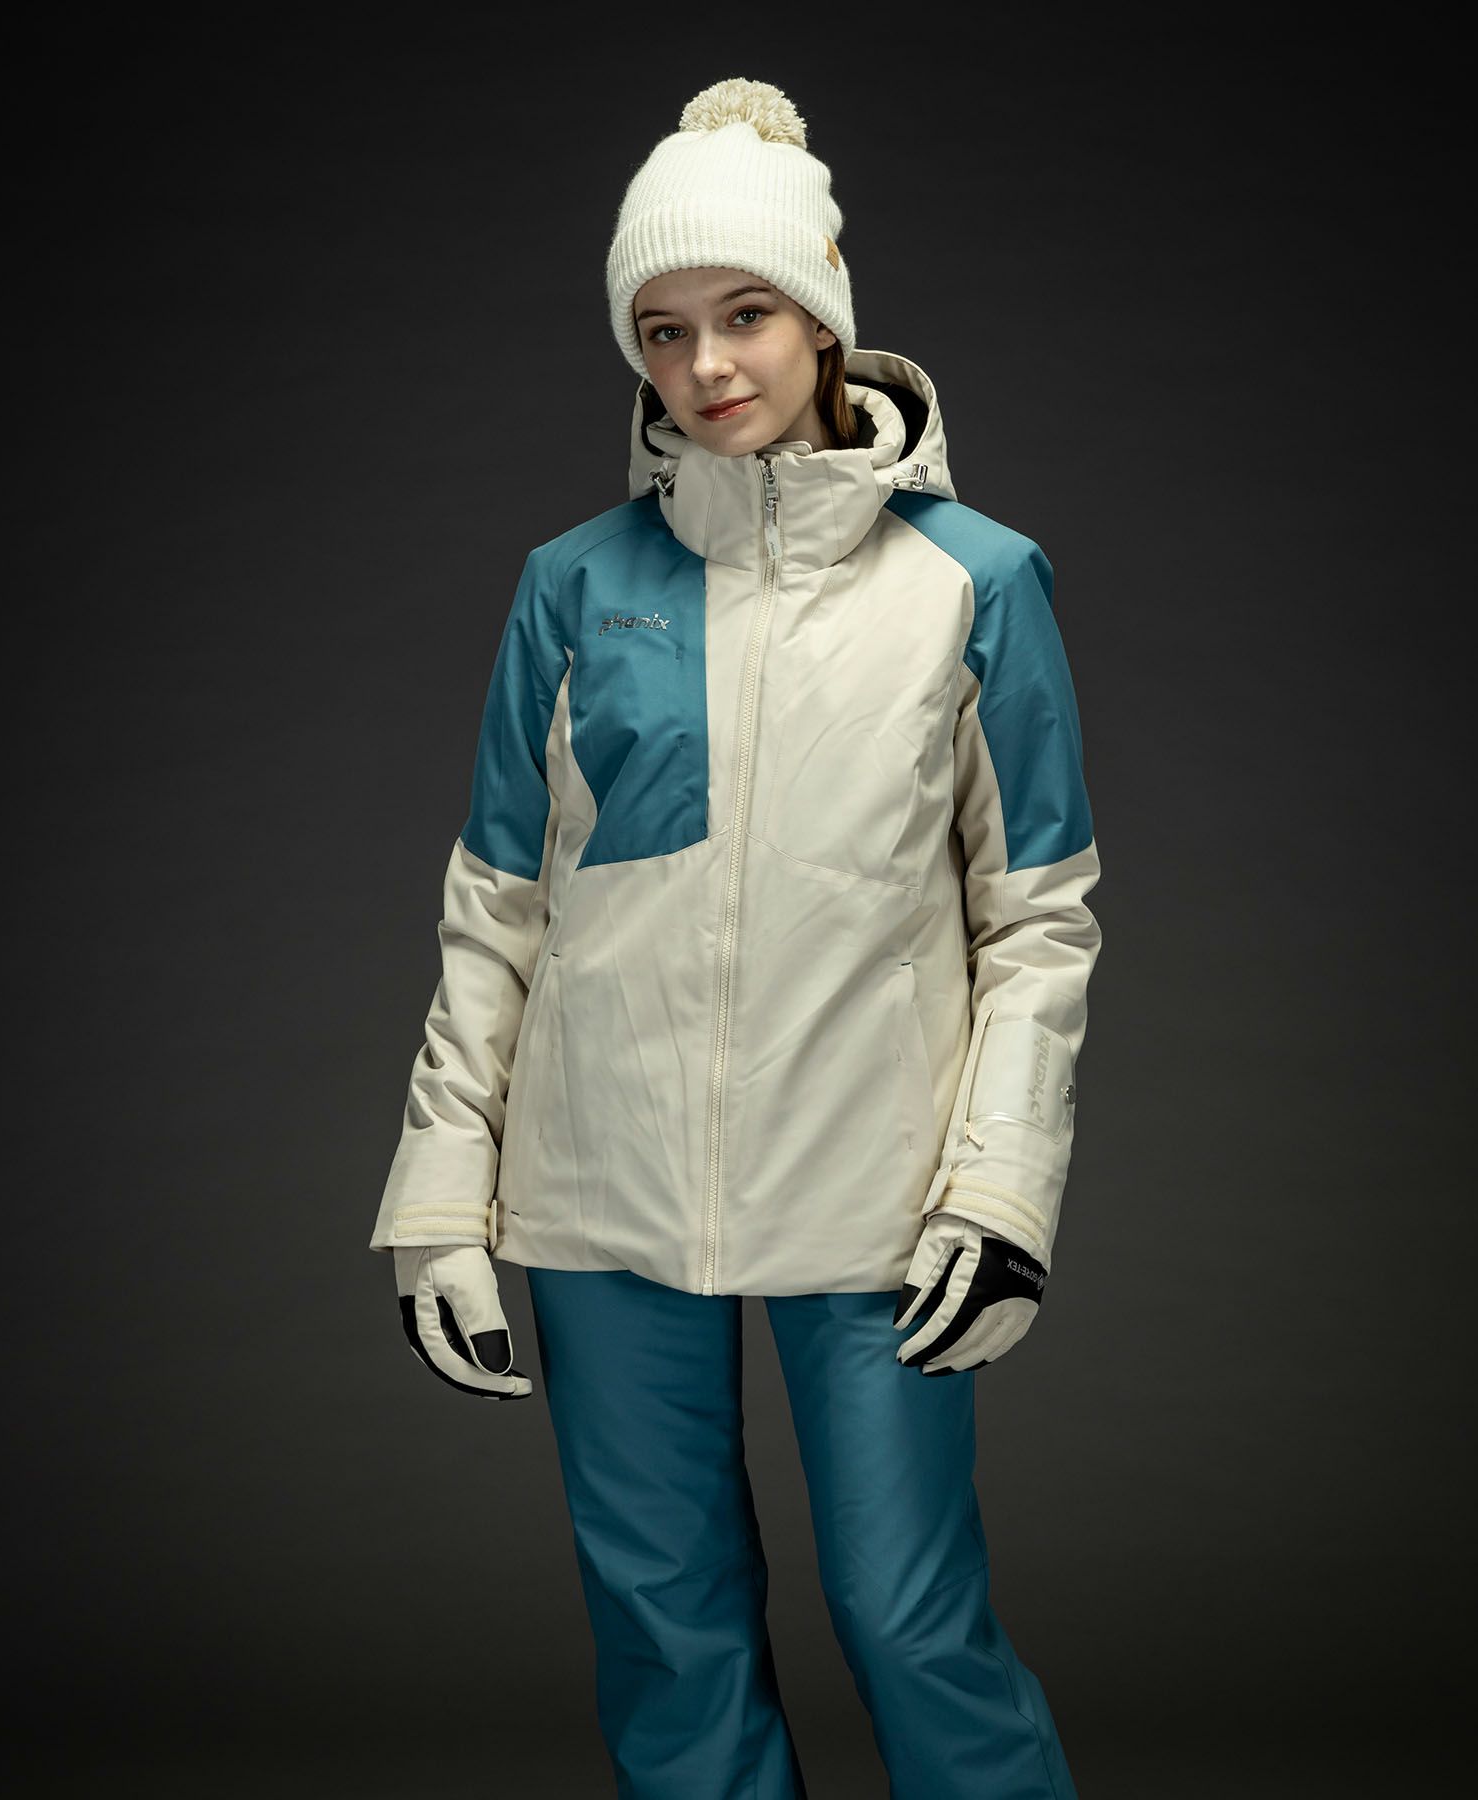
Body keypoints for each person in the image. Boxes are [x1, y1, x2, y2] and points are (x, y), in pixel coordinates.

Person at [368, 74, 1101, 1800]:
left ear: (824, 309)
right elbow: (500, 905)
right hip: (597, 1189)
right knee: (667, 1625)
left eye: (746, 313)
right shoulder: (574, 585)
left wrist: (1000, 1196)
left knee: (908, 1613)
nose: (706, 366)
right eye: (663, 329)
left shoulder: (976, 582)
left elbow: (1038, 918)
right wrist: (440, 1201)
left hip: (874, 1192)